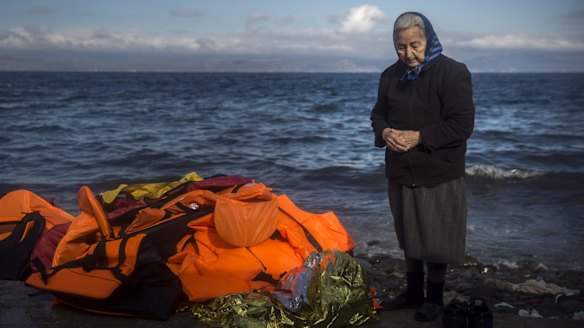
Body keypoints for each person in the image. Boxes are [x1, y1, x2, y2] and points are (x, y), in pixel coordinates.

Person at [370, 12, 475, 322]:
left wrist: (420, 137)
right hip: (401, 170)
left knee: (435, 238)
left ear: (429, 39)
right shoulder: (390, 75)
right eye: (400, 47)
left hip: (438, 169)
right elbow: (377, 116)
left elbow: (462, 124)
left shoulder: (453, 73)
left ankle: (435, 298)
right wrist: (386, 132)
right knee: (408, 234)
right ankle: (413, 292)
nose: (408, 54)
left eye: (415, 45)